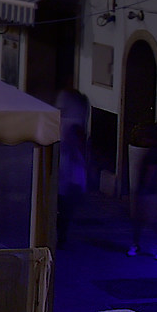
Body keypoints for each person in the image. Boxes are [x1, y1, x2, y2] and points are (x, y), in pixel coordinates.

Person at [126, 119, 157, 257]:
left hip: (150, 193)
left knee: (152, 222)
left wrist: (145, 188)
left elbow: (152, 173)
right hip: (146, 191)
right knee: (141, 221)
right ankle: (138, 245)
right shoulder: (152, 153)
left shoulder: (154, 154)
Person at [55, 84, 92, 247]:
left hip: (68, 179)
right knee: (63, 210)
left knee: (63, 210)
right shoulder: (71, 125)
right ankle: (60, 236)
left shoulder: (70, 126)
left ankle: (60, 237)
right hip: (67, 178)